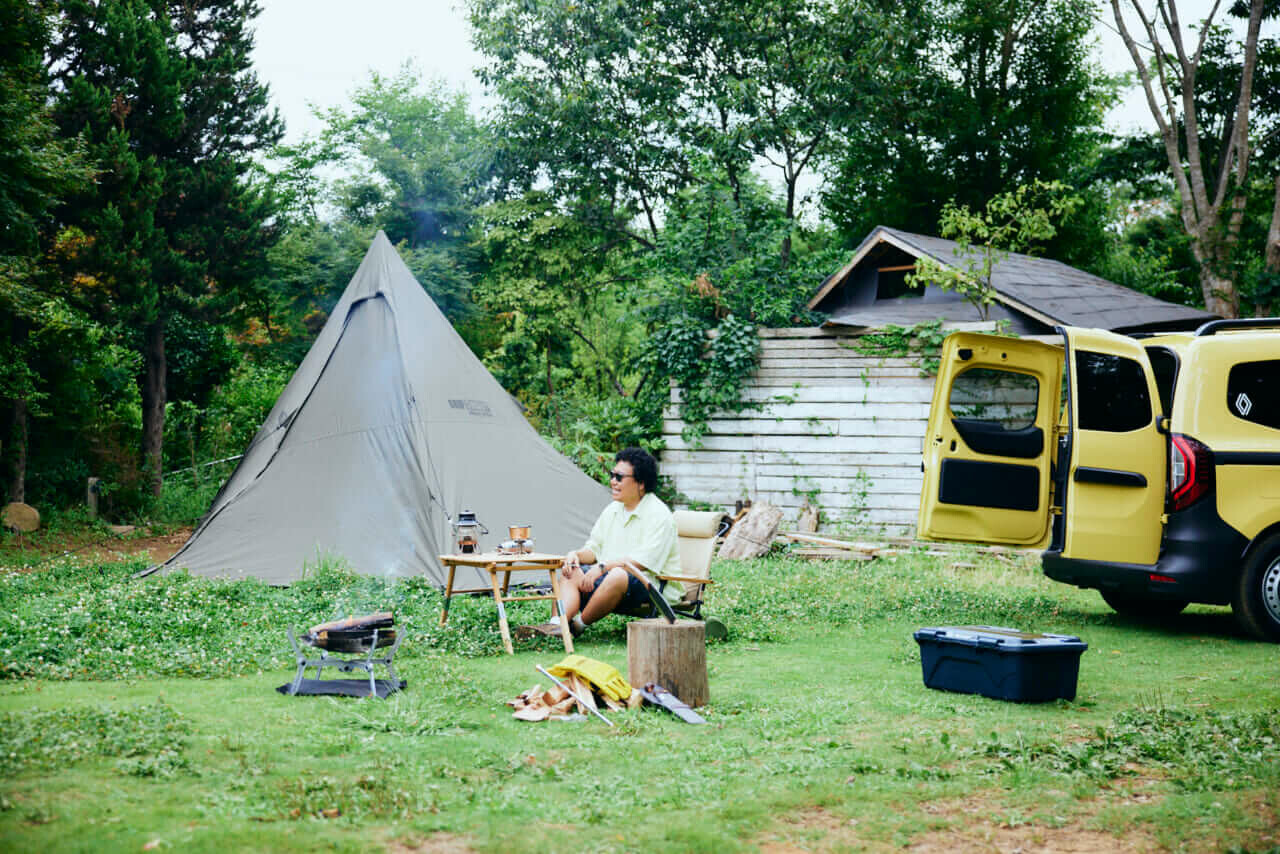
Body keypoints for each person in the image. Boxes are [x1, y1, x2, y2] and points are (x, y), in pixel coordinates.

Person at [518, 447, 682, 638]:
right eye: (612, 475)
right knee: (571, 571)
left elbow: (641, 563)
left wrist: (603, 567)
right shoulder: (613, 510)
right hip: (607, 576)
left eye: (619, 477)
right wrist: (576, 555)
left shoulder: (659, 516)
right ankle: (555, 626)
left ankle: (578, 626)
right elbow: (593, 550)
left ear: (641, 484)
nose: (613, 481)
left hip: (650, 585)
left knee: (618, 574)